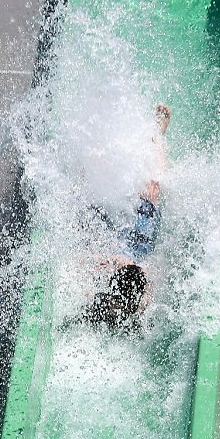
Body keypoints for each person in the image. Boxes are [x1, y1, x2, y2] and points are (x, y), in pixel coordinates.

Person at [77, 103, 170, 333]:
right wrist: (132, 265)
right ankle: (156, 133)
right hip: (139, 245)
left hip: (111, 243)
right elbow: (152, 276)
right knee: (153, 187)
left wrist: (108, 260)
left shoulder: (100, 297)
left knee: (90, 193)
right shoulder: (141, 300)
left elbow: (79, 265)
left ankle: (86, 150)